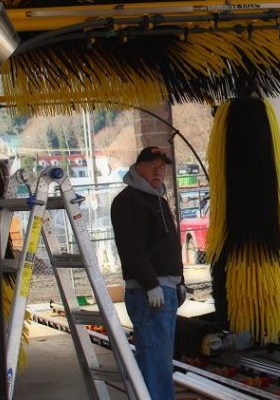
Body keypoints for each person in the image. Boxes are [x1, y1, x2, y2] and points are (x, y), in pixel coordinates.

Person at [111, 146, 184, 399]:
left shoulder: (157, 200)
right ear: (138, 167)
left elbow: (166, 244)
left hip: (164, 289)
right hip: (149, 293)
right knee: (154, 361)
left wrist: (178, 282)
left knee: (161, 360)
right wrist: (150, 283)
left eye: (162, 167)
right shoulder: (130, 201)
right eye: (152, 166)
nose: (158, 172)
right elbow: (132, 249)